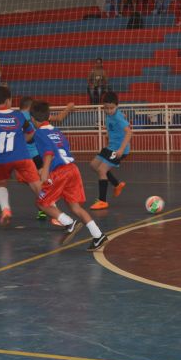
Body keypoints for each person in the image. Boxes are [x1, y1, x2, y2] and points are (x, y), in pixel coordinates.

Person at [30, 101, 108, 251]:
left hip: (59, 172)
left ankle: (69, 223)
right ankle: (98, 235)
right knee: (75, 206)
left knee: (41, 203)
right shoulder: (57, 131)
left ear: (33, 119)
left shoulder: (39, 132)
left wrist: (45, 170)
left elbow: (49, 152)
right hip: (72, 169)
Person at [0, 86, 41, 226]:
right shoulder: (19, 115)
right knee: (36, 183)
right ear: (9, 100)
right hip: (22, 156)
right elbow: (30, 132)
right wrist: (22, 140)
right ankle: (56, 213)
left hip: (3, 159)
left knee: (1, 183)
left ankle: (5, 210)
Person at [19, 96, 75, 221]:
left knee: (37, 183)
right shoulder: (31, 118)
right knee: (43, 182)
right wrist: (68, 108)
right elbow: (59, 118)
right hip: (39, 155)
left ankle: (50, 210)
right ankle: (50, 209)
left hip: (26, 157)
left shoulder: (18, 117)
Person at [89, 91, 131, 210]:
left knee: (102, 170)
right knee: (93, 165)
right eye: (106, 108)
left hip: (118, 149)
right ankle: (117, 184)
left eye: (111, 108)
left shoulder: (118, 117)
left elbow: (129, 132)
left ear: (117, 106)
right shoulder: (110, 115)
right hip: (110, 146)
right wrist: (109, 133)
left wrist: (122, 149)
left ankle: (102, 201)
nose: (108, 110)